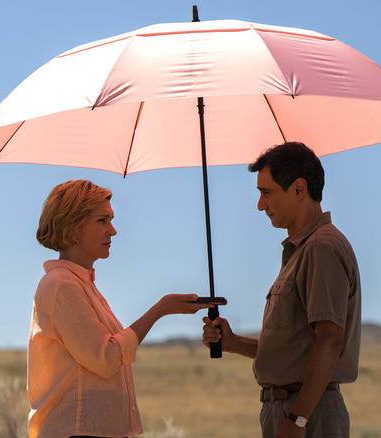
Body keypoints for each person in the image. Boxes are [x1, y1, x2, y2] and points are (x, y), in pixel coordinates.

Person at [28, 179, 213, 438]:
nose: (112, 230)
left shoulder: (80, 283)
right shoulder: (62, 285)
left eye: (111, 220)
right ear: (73, 224)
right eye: (102, 220)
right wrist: (161, 309)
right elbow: (107, 358)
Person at [202, 142, 361, 438]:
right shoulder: (303, 250)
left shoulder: (321, 247)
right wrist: (233, 342)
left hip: (307, 415)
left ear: (299, 189)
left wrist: (298, 419)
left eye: (267, 192)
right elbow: (297, 349)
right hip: (294, 411)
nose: (261, 205)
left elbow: (329, 341)